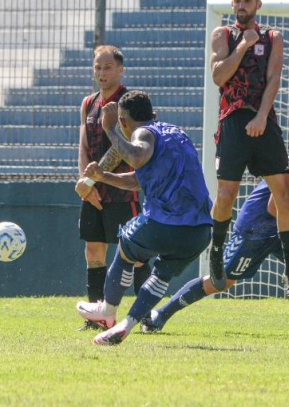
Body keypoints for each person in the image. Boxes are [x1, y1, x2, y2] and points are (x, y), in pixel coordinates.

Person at [142, 149, 289, 337]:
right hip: (256, 228)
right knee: (221, 282)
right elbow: (274, 208)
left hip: (286, 230)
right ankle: (161, 314)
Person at [75, 90, 213, 346]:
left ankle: (107, 312)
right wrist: (105, 177)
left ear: (124, 122)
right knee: (162, 274)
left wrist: (109, 129)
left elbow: (136, 156)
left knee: (126, 244)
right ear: (154, 114)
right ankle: (126, 326)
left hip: (166, 223)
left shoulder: (142, 133)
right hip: (200, 231)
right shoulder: (175, 133)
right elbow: (140, 179)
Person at [207, 0, 289, 296]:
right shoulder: (223, 35)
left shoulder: (273, 37)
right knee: (226, 195)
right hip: (232, 123)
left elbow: (274, 78)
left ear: (258, 4)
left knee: (285, 195)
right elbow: (219, 76)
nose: (241, 5)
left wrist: (261, 116)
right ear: (232, 3)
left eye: (248, 0)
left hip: (263, 121)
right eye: (237, 0)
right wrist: (244, 45)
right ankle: (216, 252)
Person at [72, 46, 148, 330]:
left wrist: (94, 179)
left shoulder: (127, 103)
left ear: (120, 70)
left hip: (120, 189)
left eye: (107, 68)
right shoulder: (88, 103)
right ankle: (97, 317)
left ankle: (144, 315)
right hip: (93, 189)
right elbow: (83, 145)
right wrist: (84, 183)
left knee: (135, 253)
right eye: (97, 68)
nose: (101, 73)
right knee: (94, 251)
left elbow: (122, 149)